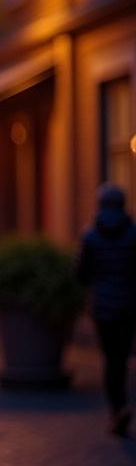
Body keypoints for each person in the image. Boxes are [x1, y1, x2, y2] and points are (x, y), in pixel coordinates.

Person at [76, 184, 136, 437]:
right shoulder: (134, 234)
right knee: (122, 357)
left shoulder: (91, 236)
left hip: (103, 307)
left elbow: (81, 274)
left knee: (111, 359)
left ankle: (116, 409)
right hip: (128, 305)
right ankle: (120, 407)